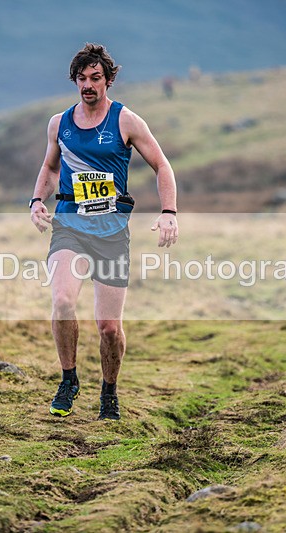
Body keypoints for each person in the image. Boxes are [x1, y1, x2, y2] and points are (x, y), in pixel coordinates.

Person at [29, 43, 178, 420]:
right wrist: (36, 201)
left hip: (111, 234)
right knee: (62, 301)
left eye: (95, 78)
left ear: (109, 80)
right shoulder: (59, 123)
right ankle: (69, 378)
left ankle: (109, 392)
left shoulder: (126, 121)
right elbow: (49, 169)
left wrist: (168, 212)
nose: (88, 85)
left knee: (109, 328)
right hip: (69, 227)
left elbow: (162, 166)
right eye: (81, 79)